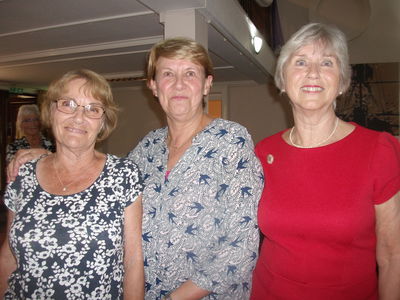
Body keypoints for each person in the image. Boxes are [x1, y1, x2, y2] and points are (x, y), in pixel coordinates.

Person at [6, 38, 264, 300]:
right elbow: (99, 173)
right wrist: (49, 155)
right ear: (153, 86)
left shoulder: (231, 141)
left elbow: (241, 246)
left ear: (207, 84)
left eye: (190, 73)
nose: (178, 84)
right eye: (167, 74)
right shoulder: (149, 146)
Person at [250, 23, 400, 300]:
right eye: (301, 62)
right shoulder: (264, 152)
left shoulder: (378, 150)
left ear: (342, 82)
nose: (313, 73)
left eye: (327, 62)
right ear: (283, 79)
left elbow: (393, 256)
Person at [0, 69, 144, 299]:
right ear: (50, 111)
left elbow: (134, 261)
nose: (79, 117)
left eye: (93, 109)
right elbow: (8, 255)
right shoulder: (22, 175)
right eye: (68, 103)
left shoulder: (123, 175)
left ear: (103, 122)